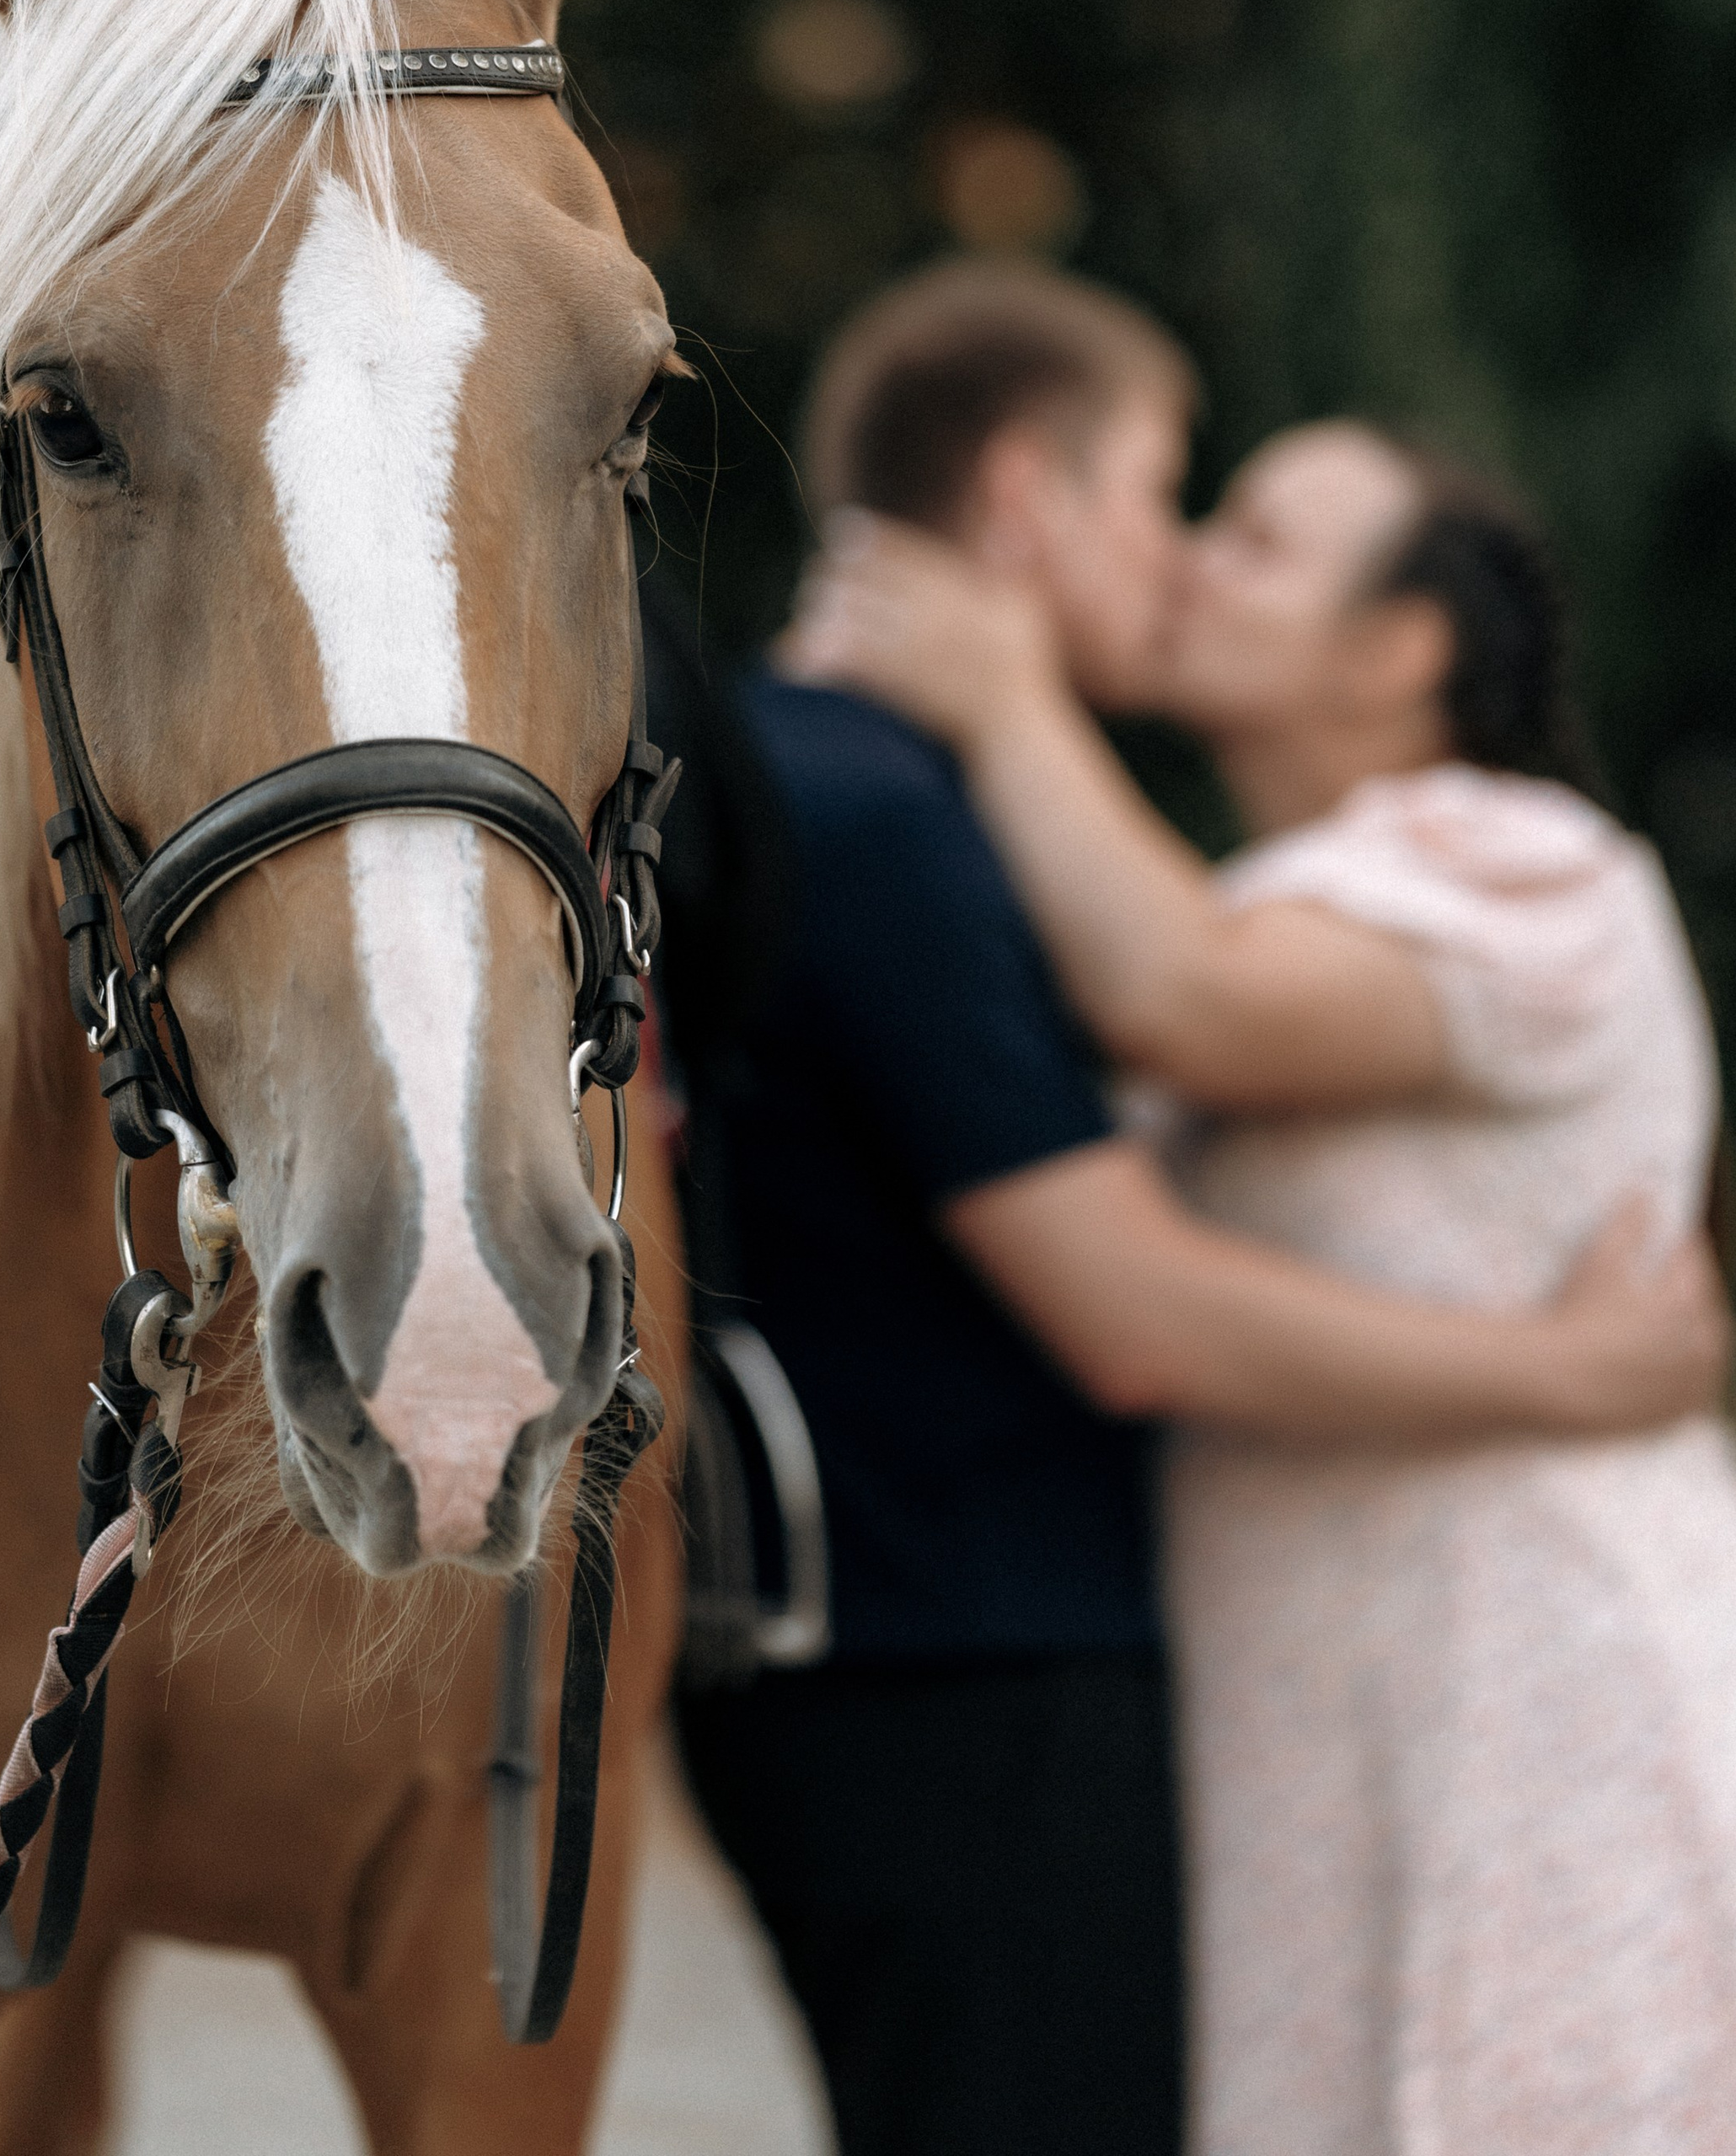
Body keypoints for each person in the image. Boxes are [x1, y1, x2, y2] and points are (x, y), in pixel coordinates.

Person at [670, 260, 1728, 2156]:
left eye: (1247, 536)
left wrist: (1004, 703)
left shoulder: (1527, 869)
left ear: (1401, 645)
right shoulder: (1171, 881)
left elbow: (1191, 1009)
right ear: (1025, 499)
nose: (1177, 566)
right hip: (1274, 1701)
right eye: (1181, 505)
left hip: (1512, 1670)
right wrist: (1553, 1367)